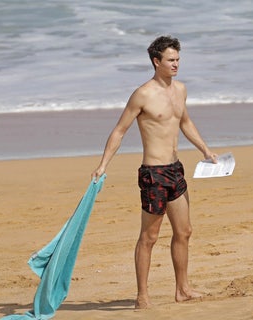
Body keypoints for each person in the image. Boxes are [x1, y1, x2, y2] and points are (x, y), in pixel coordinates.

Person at [91, 35, 218, 307]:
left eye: (178, 60)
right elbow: (119, 130)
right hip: (154, 175)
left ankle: (182, 289)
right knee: (149, 237)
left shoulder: (180, 90)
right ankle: (142, 296)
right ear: (156, 61)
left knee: (184, 232)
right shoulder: (143, 94)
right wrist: (103, 165)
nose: (176, 64)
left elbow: (185, 122)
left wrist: (205, 150)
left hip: (175, 170)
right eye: (171, 60)